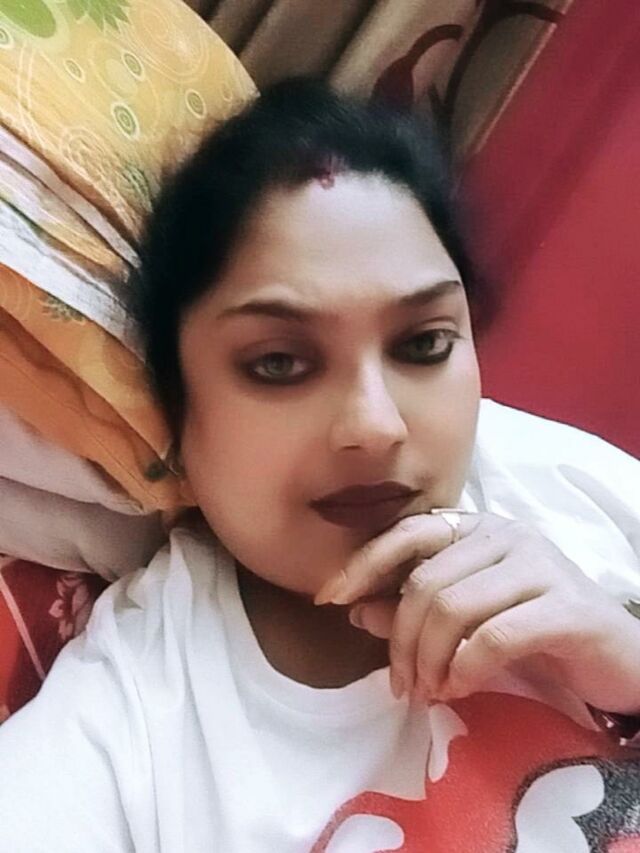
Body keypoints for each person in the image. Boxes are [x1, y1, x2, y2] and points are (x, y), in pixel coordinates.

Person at [0, 77, 639, 852]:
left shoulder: (562, 485)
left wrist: (626, 662)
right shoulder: (131, 729)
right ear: (176, 412)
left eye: (424, 343)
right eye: (278, 362)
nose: (376, 425)